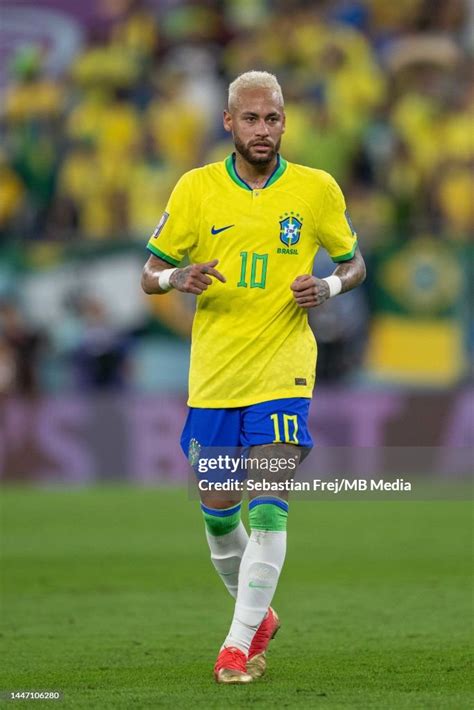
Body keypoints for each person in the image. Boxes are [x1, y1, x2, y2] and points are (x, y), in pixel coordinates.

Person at [141, 71, 366, 684]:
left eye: (272, 119)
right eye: (250, 119)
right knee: (219, 513)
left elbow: (354, 263)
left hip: (285, 369)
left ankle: (236, 648)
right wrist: (173, 279)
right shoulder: (197, 189)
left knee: (269, 507)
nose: (262, 130)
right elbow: (149, 273)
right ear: (229, 122)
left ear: (284, 122)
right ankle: (259, 616)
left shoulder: (316, 189)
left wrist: (329, 285)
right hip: (214, 375)